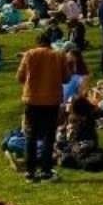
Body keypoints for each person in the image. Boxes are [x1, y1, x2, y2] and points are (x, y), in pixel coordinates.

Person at [16, 33, 70, 183]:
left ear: (37, 43)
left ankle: (30, 171)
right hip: (52, 101)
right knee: (49, 136)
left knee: (31, 135)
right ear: (50, 43)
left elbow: (20, 77)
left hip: (32, 99)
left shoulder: (30, 54)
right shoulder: (58, 55)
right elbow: (67, 78)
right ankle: (46, 170)